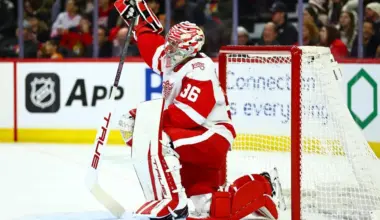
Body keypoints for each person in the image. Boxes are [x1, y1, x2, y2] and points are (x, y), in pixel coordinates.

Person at [114, 0, 284, 219]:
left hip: (211, 136)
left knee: (159, 139)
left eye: (174, 45)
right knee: (209, 207)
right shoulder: (174, 58)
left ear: (188, 48)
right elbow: (152, 49)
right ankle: (264, 186)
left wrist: (143, 117)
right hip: (196, 137)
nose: (168, 48)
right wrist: (139, 24)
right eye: (169, 43)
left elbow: (186, 116)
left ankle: (173, 203)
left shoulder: (200, 70)